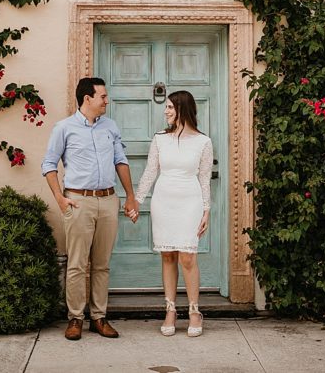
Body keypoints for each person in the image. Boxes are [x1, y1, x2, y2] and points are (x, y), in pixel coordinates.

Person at [41, 77, 140, 341]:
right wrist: (60, 199)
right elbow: (49, 165)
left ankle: (99, 317)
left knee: (102, 264)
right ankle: (75, 318)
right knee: (77, 264)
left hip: (108, 200)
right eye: (103, 96)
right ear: (88, 98)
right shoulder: (64, 128)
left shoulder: (110, 127)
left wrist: (130, 196)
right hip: (78, 201)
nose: (107, 101)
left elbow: (120, 160)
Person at [134, 90, 214, 337]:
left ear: (182, 109)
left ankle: (194, 311)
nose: (166, 111)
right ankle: (170, 310)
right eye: (166, 107)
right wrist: (137, 201)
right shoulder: (160, 139)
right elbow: (150, 171)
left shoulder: (203, 142)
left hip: (190, 202)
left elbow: (204, 179)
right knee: (168, 255)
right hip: (163, 201)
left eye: (170, 107)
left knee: (187, 258)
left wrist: (206, 210)